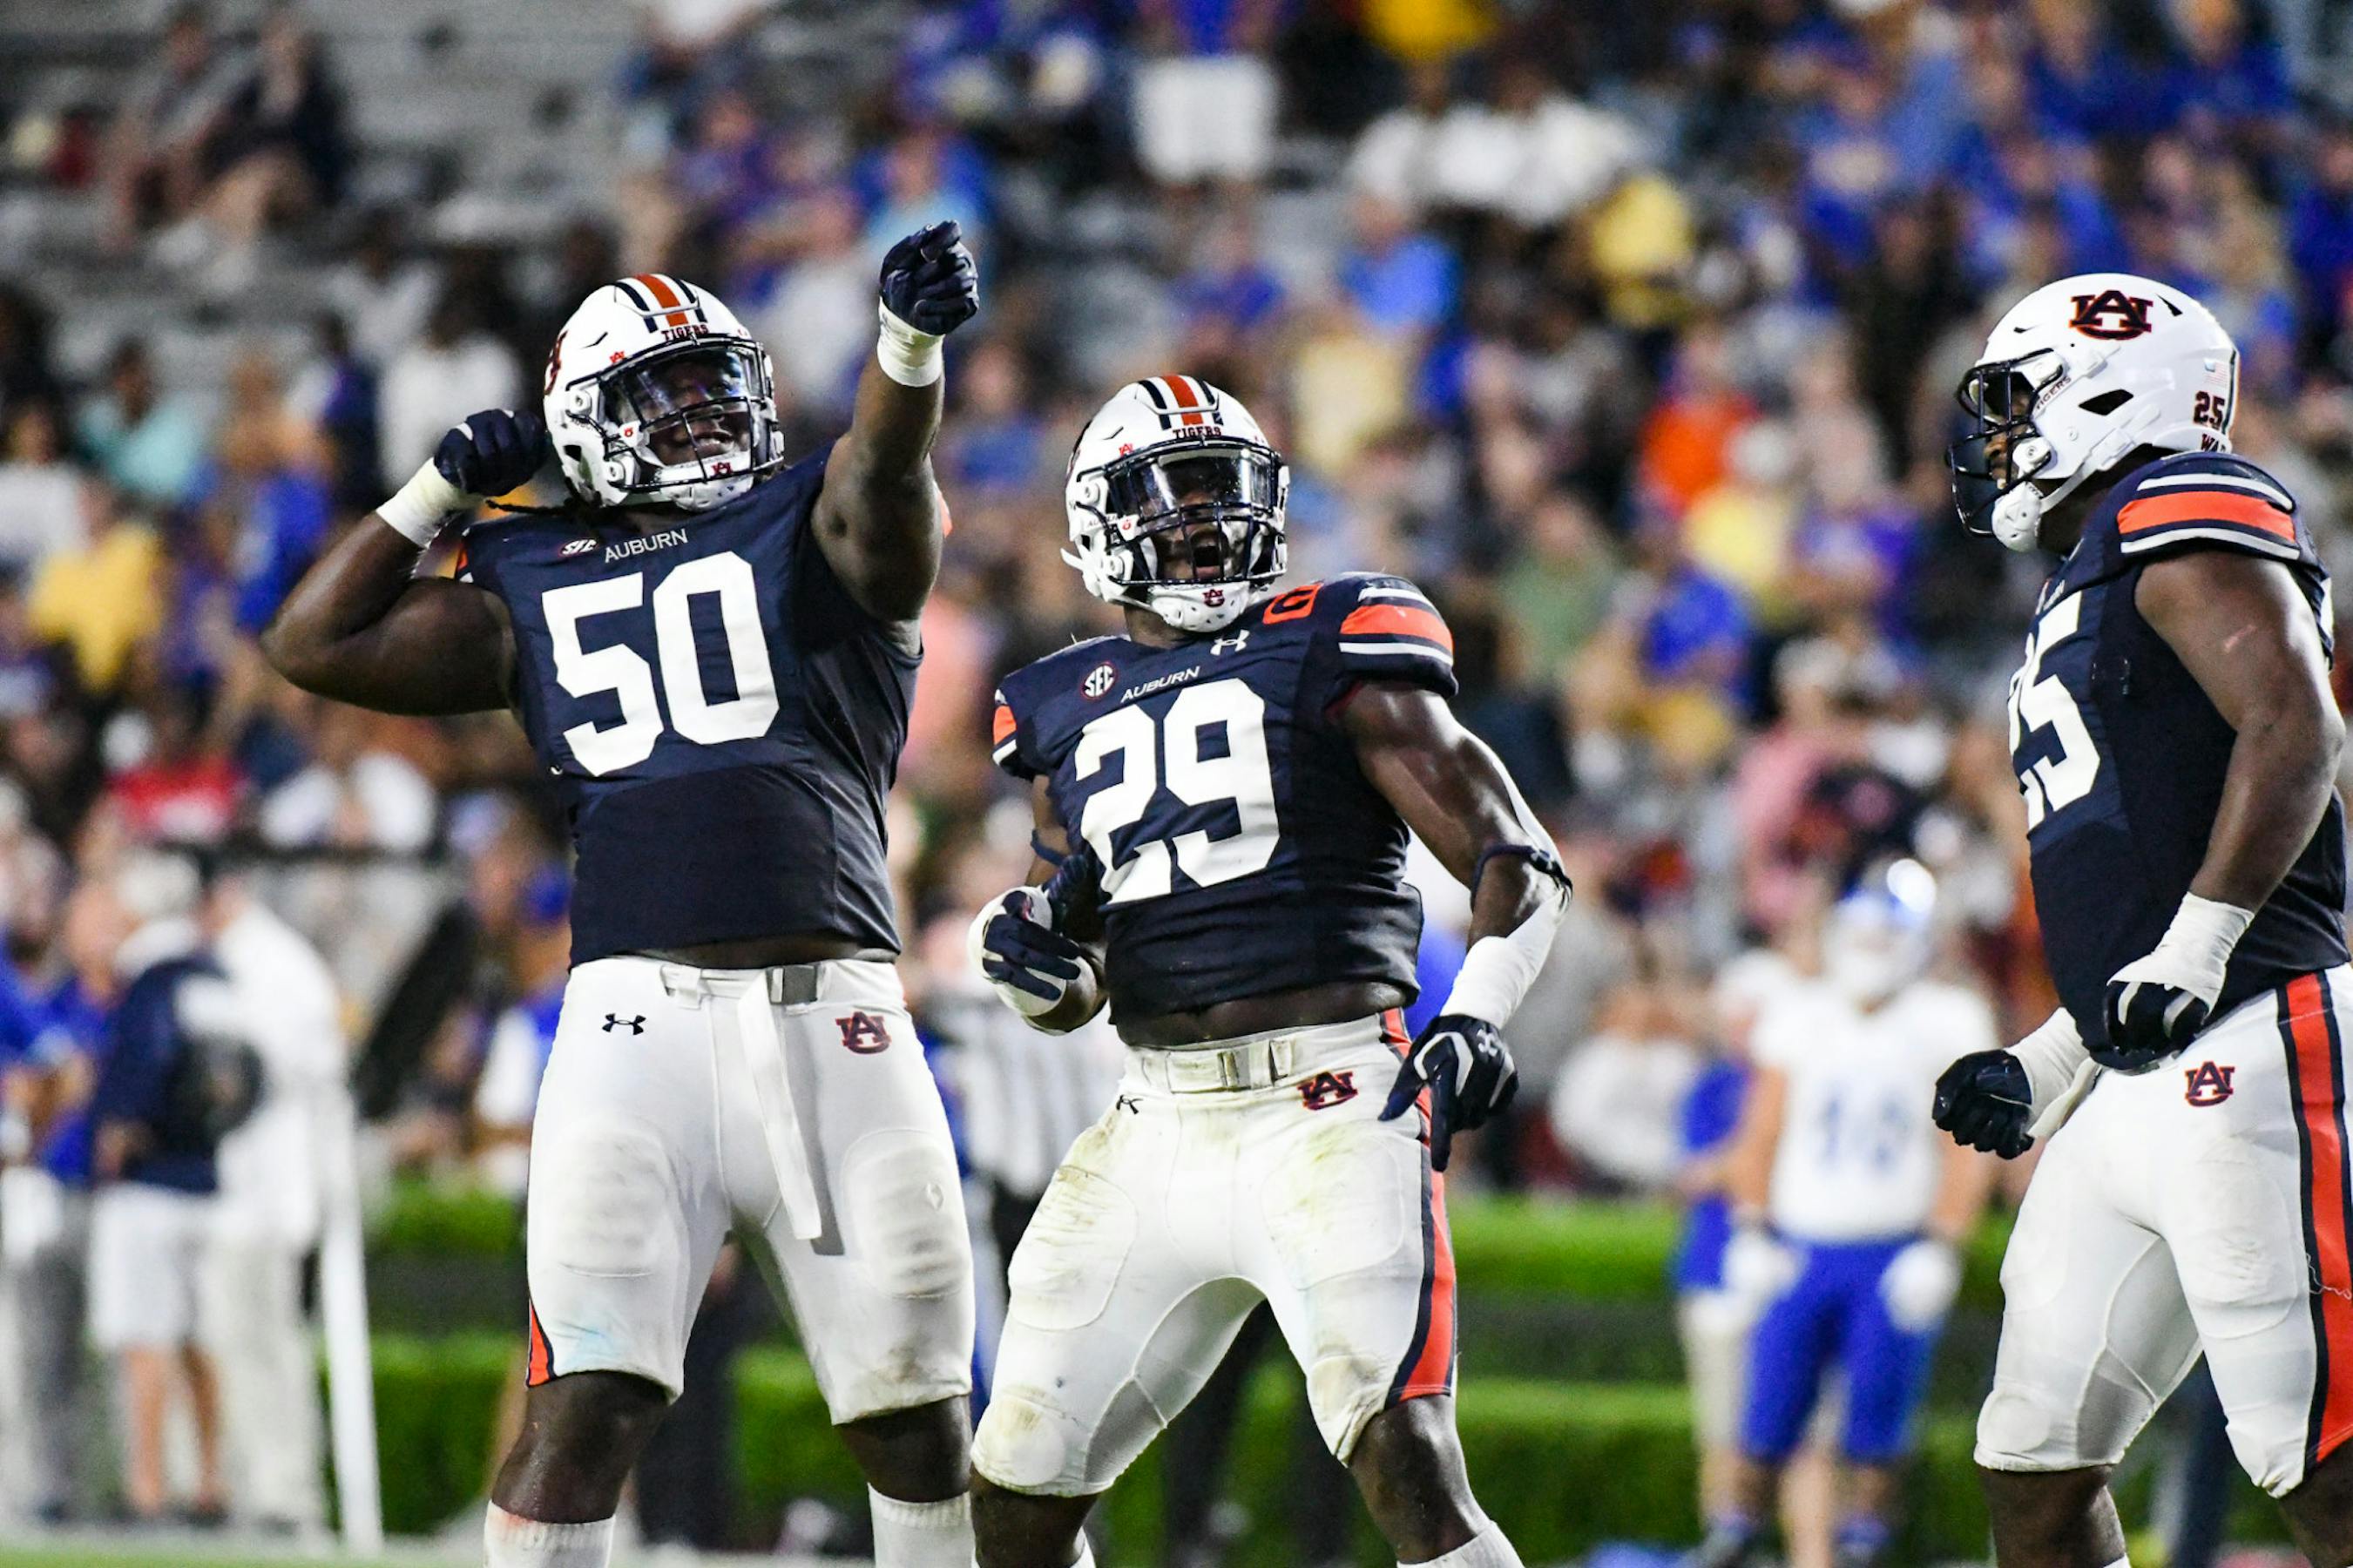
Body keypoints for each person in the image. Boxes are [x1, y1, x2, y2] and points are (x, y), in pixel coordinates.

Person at [261, 226, 984, 1568]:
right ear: (586, 424)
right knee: (584, 1406)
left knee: (920, 1417)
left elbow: (884, 474)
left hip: (835, 1016)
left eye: (717, 383)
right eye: (666, 392)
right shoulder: (528, 568)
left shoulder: (811, 517)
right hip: (635, 1027)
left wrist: (906, 352)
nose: (704, 412)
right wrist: (433, 491)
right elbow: (312, 642)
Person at [965, 376, 1570, 1568]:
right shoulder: (1058, 707)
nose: (1203, 519)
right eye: (1170, 494)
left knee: (1403, 1455)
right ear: (1096, 526)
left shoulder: (1333, 637)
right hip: (1153, 1122)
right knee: (1016, 1487)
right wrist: (1032, 966)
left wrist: (1475, 1014)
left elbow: (1516, 858)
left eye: (1220, 489)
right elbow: (1077, 984)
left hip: (1330, 1105)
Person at [1932, 272, 2353, 1567]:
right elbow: (2139, 878)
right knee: (2033, 1468)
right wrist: (2053, 1059)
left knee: (2321, 1459)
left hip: (2253, 1036)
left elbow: (2295, 725)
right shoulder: (2087, 576)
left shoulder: (2178, 501)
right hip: (2144, 1072)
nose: (1998, 436)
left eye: (2019, 401)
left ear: (2113, 392)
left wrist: (2199, 946)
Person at [1694, 864, 1998, 1568]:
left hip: (1892, 1249)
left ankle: (1866, 1545)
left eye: (1886, 937)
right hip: (1801, 1247)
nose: (1871, 951)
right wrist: (1750, 1226)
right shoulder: (1799, 1013)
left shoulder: (1947, 1019)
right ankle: (1734, 1536)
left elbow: (1964, 1149)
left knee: (1877, 1424)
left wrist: (1942, 1244)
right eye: (1861, 936)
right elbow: (1761, 1132)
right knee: (1765, 1414)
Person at [84, 851, 255, 1526]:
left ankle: (148, 1488)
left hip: (151, 1184)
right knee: (196, 1337)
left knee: (146, 1337)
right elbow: (246, 1081)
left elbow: (148, 1062)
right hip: (205, 1179)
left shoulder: (150, 977)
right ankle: (210, 1481)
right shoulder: (216, 975)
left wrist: (122, 1126)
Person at [199, 862, 348, 1538]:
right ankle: (258, 1485)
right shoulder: (242, 955)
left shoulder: (276, 962)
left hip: (273, 1185)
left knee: (270, 1342)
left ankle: (288, 1493)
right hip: (244, 1184)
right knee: (240, 1340)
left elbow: (293, 1070)